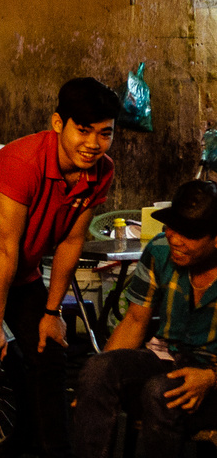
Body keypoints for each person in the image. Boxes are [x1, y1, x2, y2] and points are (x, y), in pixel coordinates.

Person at [0, 77, 119, 458]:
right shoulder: (23, 162)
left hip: (21, 266)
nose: (93, 144)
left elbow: (71, 241)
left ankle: (50, 448)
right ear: (57, 123)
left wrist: (52, 312)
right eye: (83, 131)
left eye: (104, 134)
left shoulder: (101, 170)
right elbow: (5, 246)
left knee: (48, 351)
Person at [73, 181, 217, 458]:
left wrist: (211, 377)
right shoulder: (160, 249)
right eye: (172, 227)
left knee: (160, 393)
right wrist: (93, 389)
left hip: (211, 373)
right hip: (169, 357)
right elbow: (135, 322)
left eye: (188, 234)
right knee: (96, 370)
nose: (174, 238)